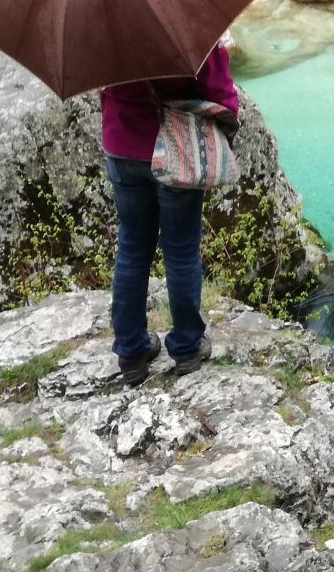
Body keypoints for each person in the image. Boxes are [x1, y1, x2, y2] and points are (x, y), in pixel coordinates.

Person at [99, 39, 239, 385]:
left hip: (121, 143)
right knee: (180, 250)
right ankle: (187, 347)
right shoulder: (181, 23)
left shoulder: (98, 26)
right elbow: (218, 87)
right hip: (178, 144)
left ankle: (131, 351)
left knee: (132, 246)